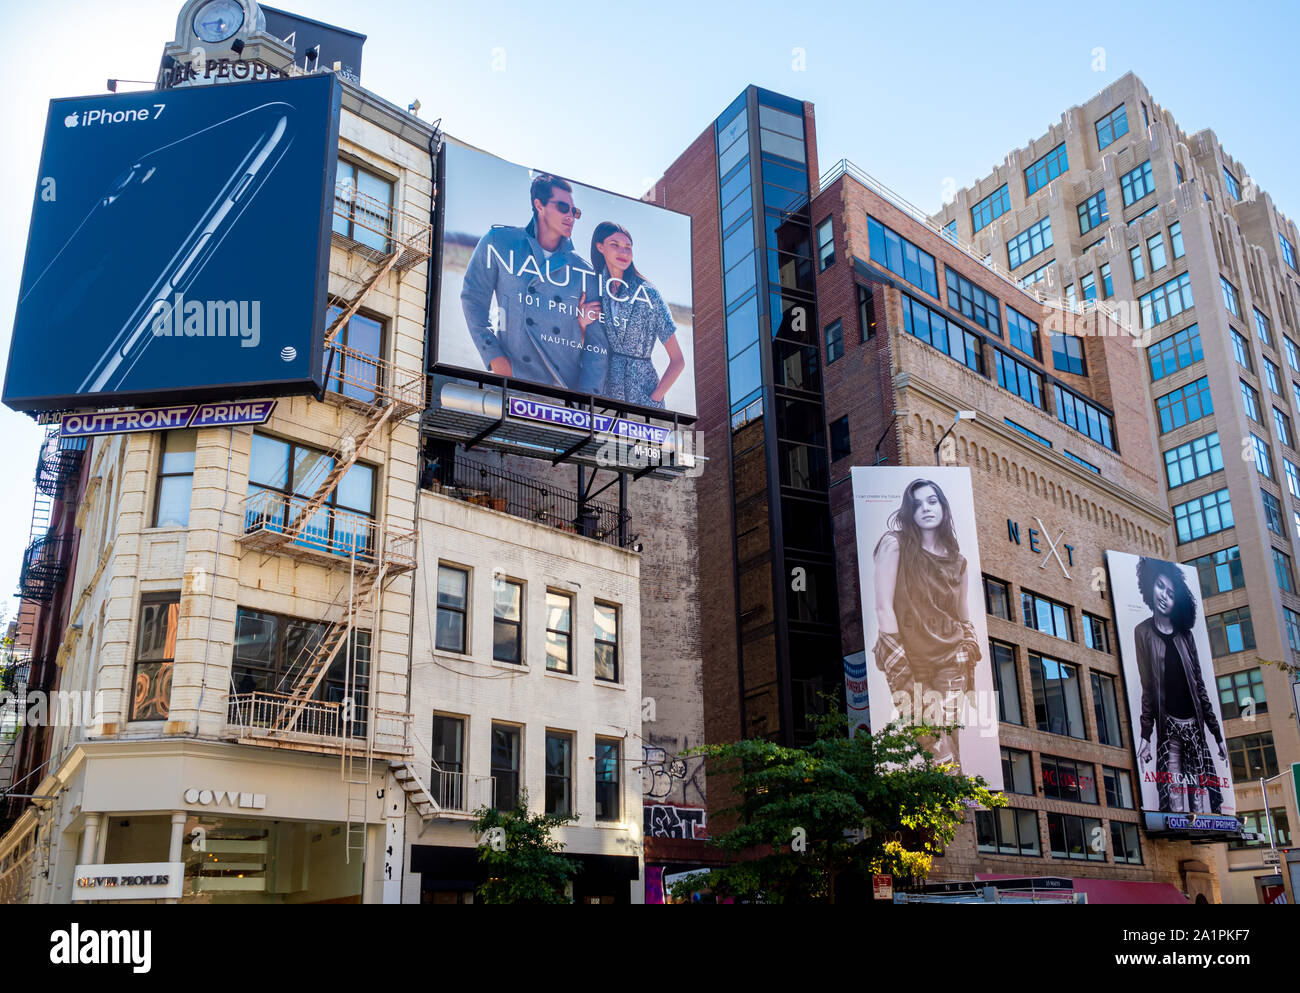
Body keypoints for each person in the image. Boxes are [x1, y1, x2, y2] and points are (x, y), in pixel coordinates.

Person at [460, 173, 608, 392]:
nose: (571, 217)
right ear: (539, 205)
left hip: (563, 393)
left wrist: (586, 403)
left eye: (575, 212)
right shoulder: (499, 242)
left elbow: (597, 350)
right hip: (512, 383)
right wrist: (494, 357)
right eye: (563, 208)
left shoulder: (585, 272)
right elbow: (473, 299)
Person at [871, 479, 981, 769]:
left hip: (951, 661)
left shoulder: (959, 561)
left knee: (950, 747)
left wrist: (968, 645)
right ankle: (953, 811)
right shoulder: (894, 544)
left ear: (943, 506)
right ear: (909, 511)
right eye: (917, 504)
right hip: (908, 661)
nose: (926, 509)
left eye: (932, 501)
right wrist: (898, 664)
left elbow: (962, 613)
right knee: (934, 744)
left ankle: (960, 812)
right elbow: (883, 608)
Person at [1133, 557, 1227, 814]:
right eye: (1160, 587)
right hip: (1170, 730)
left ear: (1177, 602)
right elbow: (1148, 688)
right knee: (1173, 804)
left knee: (1200, 803)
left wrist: (1217, 734)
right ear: (1151, 585)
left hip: (1195, 730)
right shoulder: (1142, 632)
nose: (1164, 595)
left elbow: (1199, 687)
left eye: (1171, 593)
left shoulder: (1186, 635)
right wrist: (1145, 735)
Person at [589, 222, 685, 409]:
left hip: (643, 397)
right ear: (600, 247)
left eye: (628, 247)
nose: (623, 252)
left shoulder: (649, 294)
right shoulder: (595, 287)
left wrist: (654, 398)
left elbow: (678, 361)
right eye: (615, 245)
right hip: (604, 395)